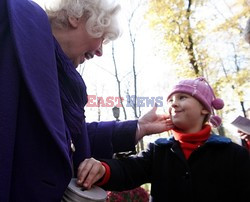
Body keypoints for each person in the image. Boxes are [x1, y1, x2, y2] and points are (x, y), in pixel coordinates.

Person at [0, 0, 172, 201]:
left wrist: (137, 127)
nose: (100, 52)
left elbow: (64, 140)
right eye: (102, 36)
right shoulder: (12, 18)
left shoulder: (68, 87)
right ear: (75, 17)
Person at [77, 77, 250, 202]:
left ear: (204, 109)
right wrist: (103, 169)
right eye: (170, 100)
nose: (173, 104)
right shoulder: (158, 150)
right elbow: (128, 169)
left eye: (182, 97)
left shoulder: (232, 153)